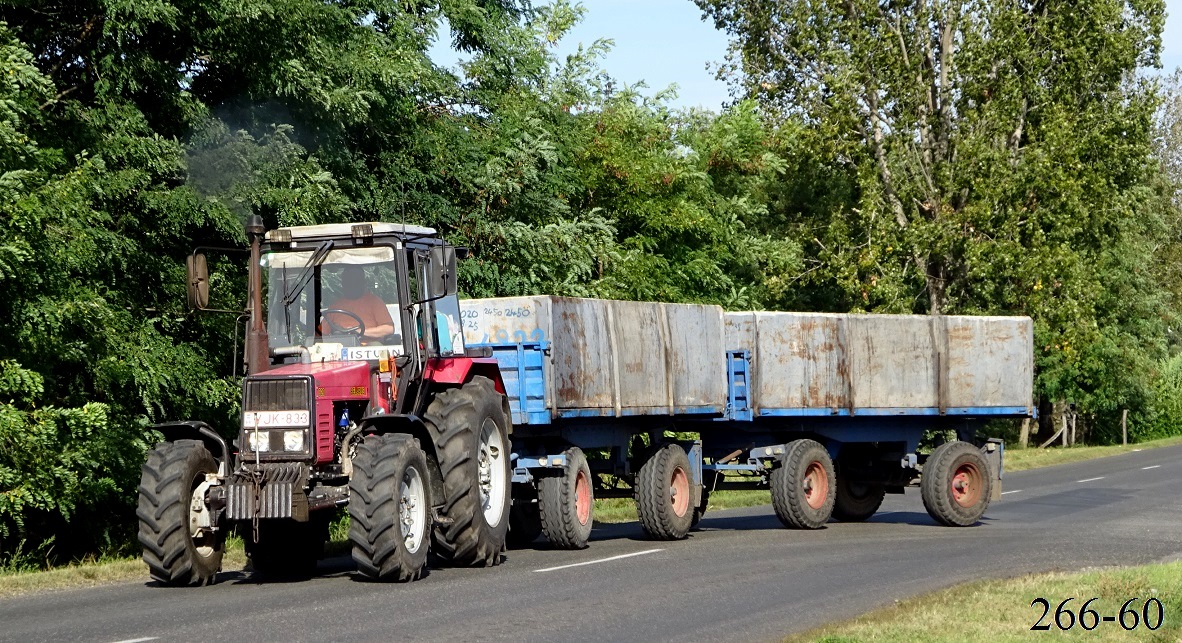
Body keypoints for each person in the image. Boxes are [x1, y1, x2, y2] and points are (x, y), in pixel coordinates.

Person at [322, 265, 396, 344]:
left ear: (364, 282)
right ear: (343, 284)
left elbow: (388, 329)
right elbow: (320, 333)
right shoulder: (335, 306)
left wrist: (359, 331)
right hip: (339, 350)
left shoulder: (374, 302)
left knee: (375, 344)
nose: (352, 285)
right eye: (348, 282)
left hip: (367, 349)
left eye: (355, 281)